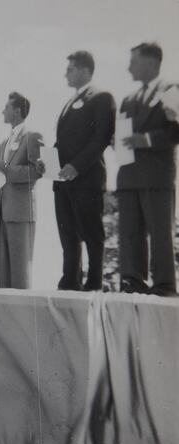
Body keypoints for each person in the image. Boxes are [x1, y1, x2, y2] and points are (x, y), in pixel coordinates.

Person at [41, 51, 115, 291]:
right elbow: (63, 141)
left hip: (87, 179)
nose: (66, 73)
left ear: (85, 70)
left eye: (70, 69)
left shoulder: (102, 97)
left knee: (92, 233)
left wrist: (76, 166)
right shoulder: (69, 102)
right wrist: (48, 161)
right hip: (63, 181)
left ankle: (94, 282)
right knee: (68, 234)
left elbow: (101, 138)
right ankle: (70, 280)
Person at [118, 43, 179, 296]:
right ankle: (132, 281)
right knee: (130, 232)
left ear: (152, 63)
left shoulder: (171, 91)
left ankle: (164, 285)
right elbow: (121, 132)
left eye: (134, 61)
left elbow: (176, 131)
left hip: (157, 175)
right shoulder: (128, 99)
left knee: (160, 231)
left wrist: (147, 140)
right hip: (129, 175)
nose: (129, 66)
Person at [0, 92, 44, 289]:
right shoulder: (4, 143)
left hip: (20, 212)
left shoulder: (32, 137)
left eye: (6, 107)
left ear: (17, 111)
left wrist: (5, 168)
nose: (2, 111)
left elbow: (35, 173)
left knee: (20, 274)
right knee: (2, 274)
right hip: (1, 211)